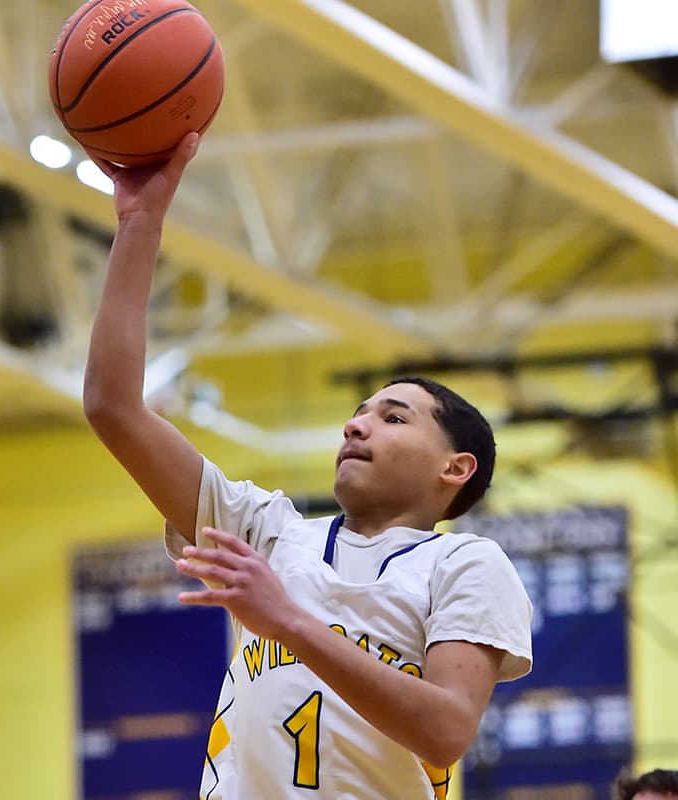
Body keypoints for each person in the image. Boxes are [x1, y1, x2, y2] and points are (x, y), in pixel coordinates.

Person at [82, 133, 533, 799]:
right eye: (359, 412)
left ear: (455, 468)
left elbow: (445, 731)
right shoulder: (268, 532)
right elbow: (113, 407)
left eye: (394, 417)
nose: (356, 423)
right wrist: (139, 220)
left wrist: (286, 620)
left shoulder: (466, 566)